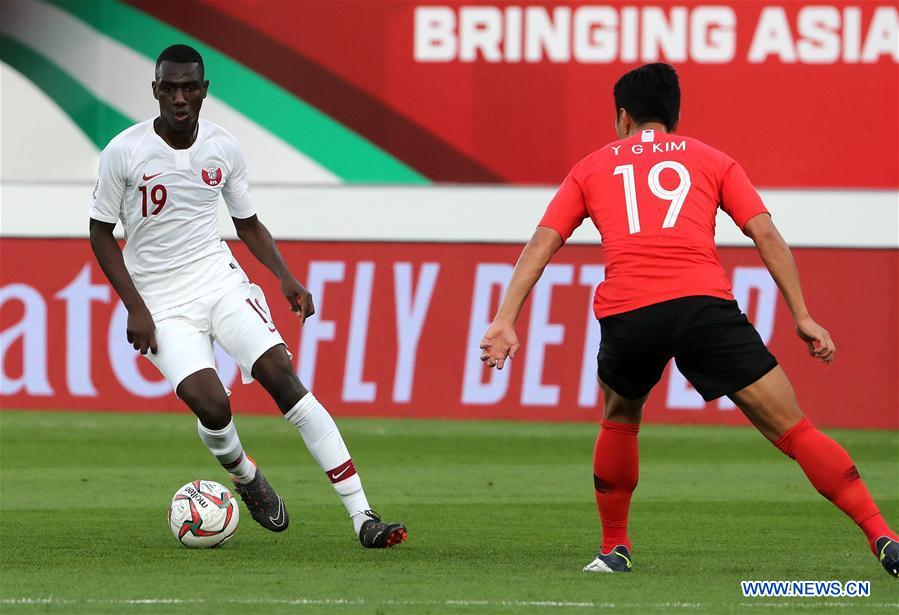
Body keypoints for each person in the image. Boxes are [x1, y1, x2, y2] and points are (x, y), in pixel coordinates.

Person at [479, 63, 897, 576]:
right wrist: (802, 315)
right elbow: (765, 235)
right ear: (675, 116)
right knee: (794, 429)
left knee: (620, 418)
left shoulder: (590, 167)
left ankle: (614, 549)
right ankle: (882, 535)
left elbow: (542, 244)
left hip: (630, 311)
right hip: (703, 306)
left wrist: (505, 318)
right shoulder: (713, 160)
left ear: (622, 116)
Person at [88, 44, 406, 549]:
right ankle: (243, 472)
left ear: (204, 90)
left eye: (189, 87)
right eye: (169, 88)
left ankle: (363, 515)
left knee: (285, 381)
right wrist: (135, 306)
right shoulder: (123, 152)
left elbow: (247, 223)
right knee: (212, 406)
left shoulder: (223, 148)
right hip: (160, 300)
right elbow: (101, 233)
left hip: (219, 280)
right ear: (154, 90)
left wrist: (285, 276)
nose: (179, 98)